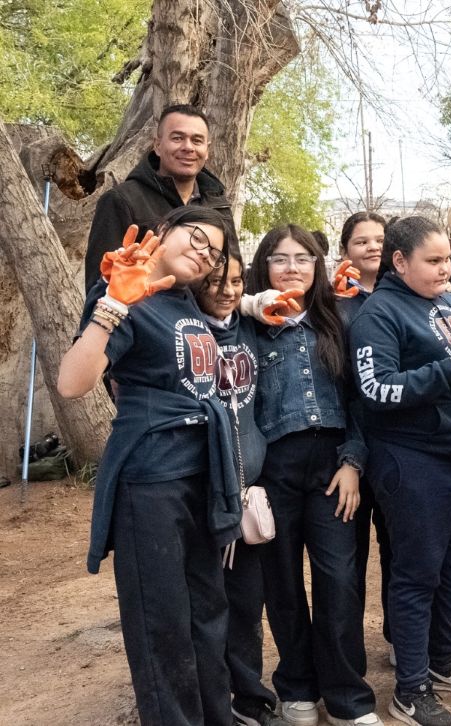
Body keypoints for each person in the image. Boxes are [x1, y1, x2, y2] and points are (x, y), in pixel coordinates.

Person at [59, 206, 240, 725]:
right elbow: (73, 383)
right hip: (151, 479)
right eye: (197, 238)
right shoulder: (122, 292)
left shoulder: (185, 300)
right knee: (161, 621)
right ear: (163, 232)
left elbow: (237, 302)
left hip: (202, 476)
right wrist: (113, 301)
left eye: (213, 250)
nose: (204, 253)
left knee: (207, 612)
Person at [349, 215, 451, 726]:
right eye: (435, 261)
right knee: (417, 574)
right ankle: (410, 687)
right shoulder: (379, 314)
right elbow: (376, 390)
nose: (447, 268)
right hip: (413, 461)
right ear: (400, 262)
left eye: (447, 259)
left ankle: (443, 662)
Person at [247, 226, 380, 726]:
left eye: (303, 258)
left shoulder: (340, 321)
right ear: (265, 267)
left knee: (339, 580)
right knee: (280, 582)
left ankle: (348, 697)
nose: (292, 268)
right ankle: (297, 686)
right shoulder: (250, 328)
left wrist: (352, 463)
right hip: (271, 472)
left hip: (333, 470)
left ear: (318, 266)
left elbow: (360, 400)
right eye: (279, 259)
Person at [194, 253, 288, 726]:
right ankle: (211, 702)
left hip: (248, 495)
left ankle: (250, 696)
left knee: (248, 603)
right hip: (200, 499)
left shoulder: (251, 328)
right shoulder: (186, 331)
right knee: (207, 608)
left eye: (236, 281)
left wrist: (254, 303)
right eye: (215, 281)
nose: (227, 290)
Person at [84, 104, 232, 291]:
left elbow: (229, 273)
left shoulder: (219, 206)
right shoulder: (122, 200)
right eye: (177, 138)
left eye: (197, 140)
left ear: (207, 149)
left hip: (200, 319)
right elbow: (99, 285)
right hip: (141, 317)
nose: (188, 147)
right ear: (157, 145)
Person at [335, 210, 394, 665]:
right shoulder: (334, 302)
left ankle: (399, 637)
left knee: (398, 547)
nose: (372, 247)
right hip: (348, 443)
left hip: (396, 443)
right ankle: (347, 650)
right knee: (347, 557)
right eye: (362, 241)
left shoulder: (407, 295)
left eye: (380, 239)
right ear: (345, 251)